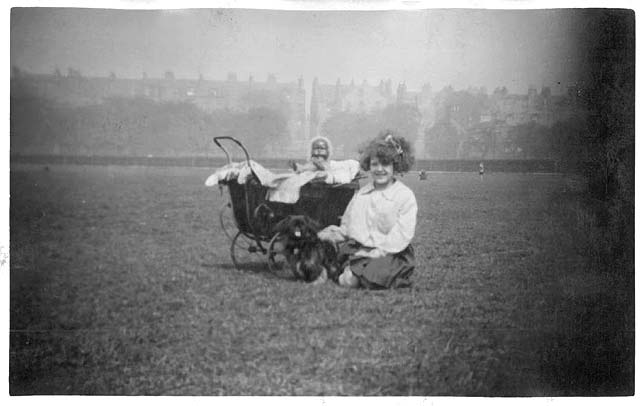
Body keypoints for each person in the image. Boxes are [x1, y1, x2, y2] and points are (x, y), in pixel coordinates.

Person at [317, 131, 417, 289]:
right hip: (361, 249)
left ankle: (352, 272)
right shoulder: (362, 194)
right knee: (347, 280)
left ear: (395, 166)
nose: (379, 169)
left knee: (365, 280)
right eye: (375, 164)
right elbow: (347, 226)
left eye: (385, 164)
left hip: (390, 254)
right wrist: (331, 233)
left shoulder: (404, 196)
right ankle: (341, 270)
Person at [288, 136, 360, 184]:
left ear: (327, 150)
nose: (319, 151)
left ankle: (300, 169)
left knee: (315, 168)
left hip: (324, 169)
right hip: (314, 168)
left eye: (322, 148)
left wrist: (316, 163)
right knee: (309, 168)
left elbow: (323, 167)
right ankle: (300, 168)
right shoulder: (313, 160)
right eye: (316, 148)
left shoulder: (328, 163)